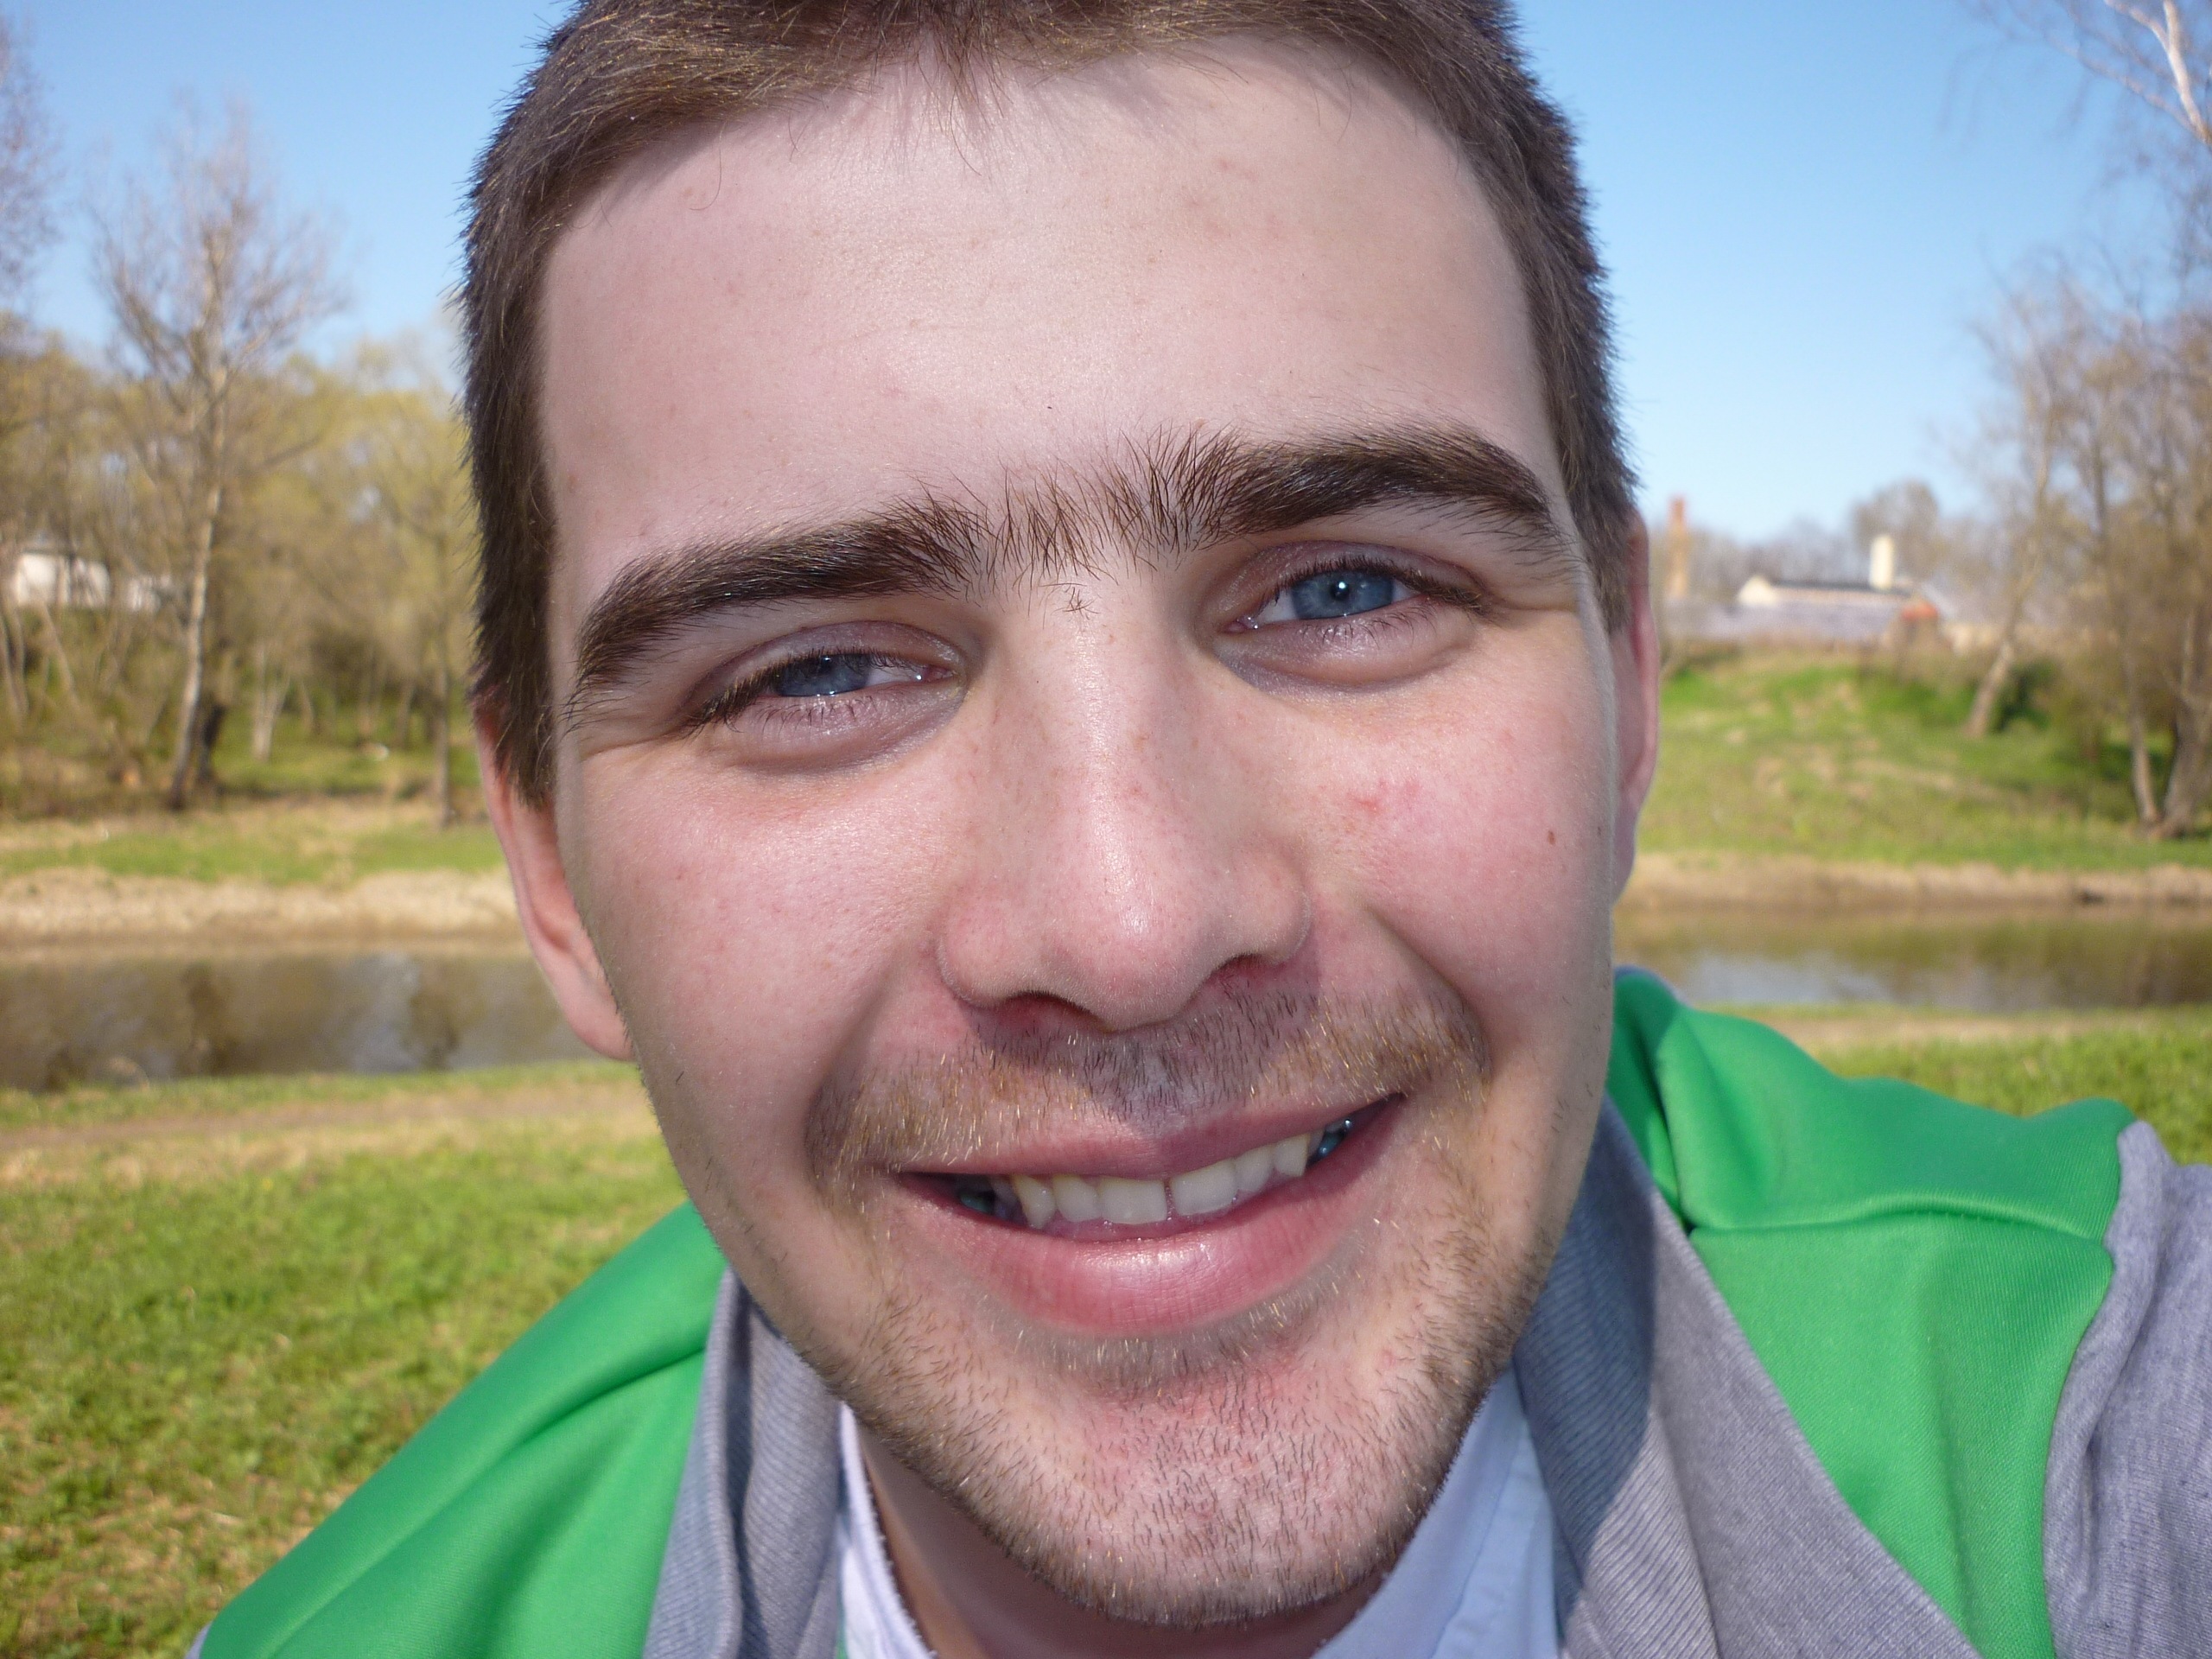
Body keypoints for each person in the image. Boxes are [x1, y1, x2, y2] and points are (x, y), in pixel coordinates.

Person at [194, 2, 2212, 1656]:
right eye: (816, 671)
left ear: (1625, 689)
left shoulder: (2086, 1424)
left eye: (1343, 589)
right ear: (549, 871)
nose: (1132, 924)